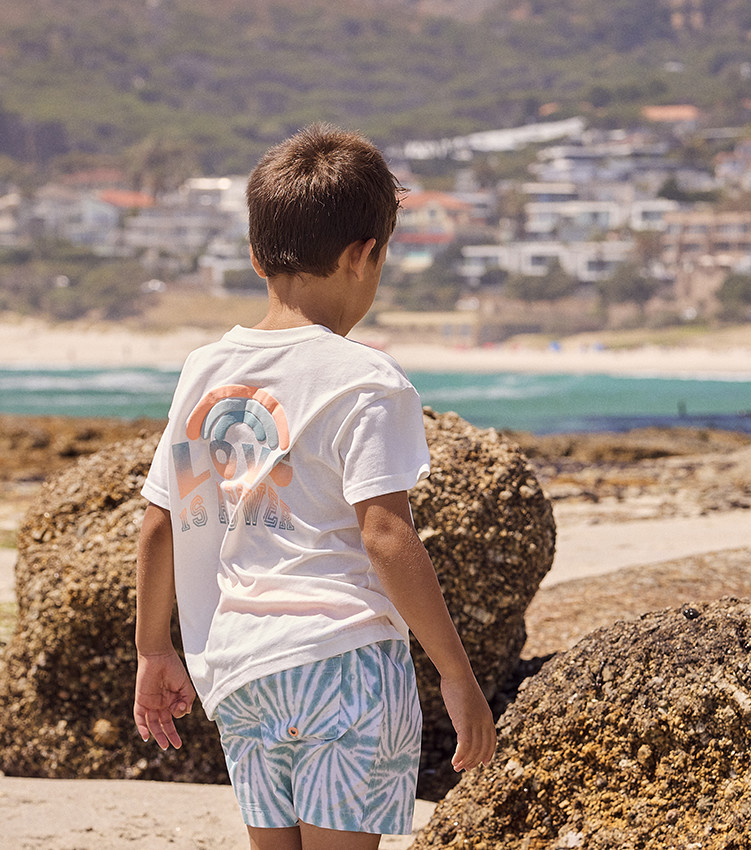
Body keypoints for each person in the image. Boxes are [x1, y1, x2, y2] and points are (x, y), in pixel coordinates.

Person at [133, 123, 496, 850]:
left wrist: (153, 652)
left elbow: (159, 521)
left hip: (243, 669)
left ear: (255, 254)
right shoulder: (368, 379)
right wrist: (456, 675)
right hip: (347, 663)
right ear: (367, 254)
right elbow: (385, 532)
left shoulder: (205, 368)